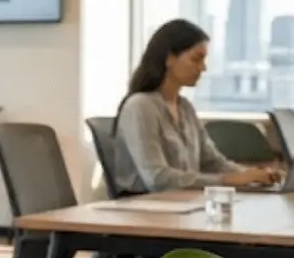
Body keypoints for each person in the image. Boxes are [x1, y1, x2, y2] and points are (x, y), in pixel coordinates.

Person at [111, 18, 281, 193]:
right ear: (169, 58)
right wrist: (229, 180)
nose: (203, 68)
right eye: (196, 59)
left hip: (181, 205)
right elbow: (157, 178)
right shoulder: (140, 106)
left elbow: (212, 162)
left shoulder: (185, 108)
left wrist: (252, 175)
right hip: (143, 208)